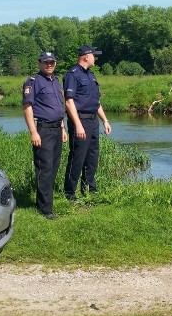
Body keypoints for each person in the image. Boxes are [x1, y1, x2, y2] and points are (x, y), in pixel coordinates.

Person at [22, 51, 68, 219]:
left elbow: (59, 107)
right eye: (46, 62)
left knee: (53, 168)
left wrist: (62, 128)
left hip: (57, 129)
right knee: (45, 169)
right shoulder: (34, 82)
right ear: (39, 63)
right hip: (43, 129)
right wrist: (33, 132)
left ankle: (43, 202)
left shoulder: (55, 81)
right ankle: (45, 209)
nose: (49, 65)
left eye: (52, 62)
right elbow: (27, 107)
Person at [63, 45, 111, 200]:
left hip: (92, 120)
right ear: (85, 56)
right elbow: (69, 102)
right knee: (77, 156)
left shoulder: (91, 75)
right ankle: (70, 192)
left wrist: (105, 120)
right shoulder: (73, 74)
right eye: (93, 56)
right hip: (80, 119)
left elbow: (96, 102)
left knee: (92, 156)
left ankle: (89, 188)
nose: (95, 58)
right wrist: (77, 125)